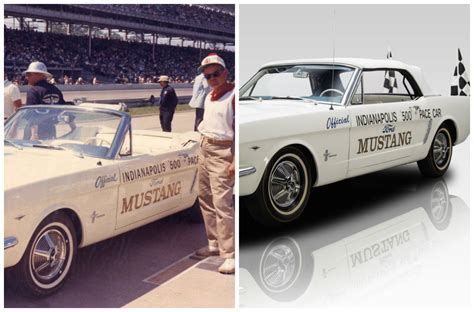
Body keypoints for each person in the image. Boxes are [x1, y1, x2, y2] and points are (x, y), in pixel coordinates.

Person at [195, 53, 235, 274]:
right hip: (205, 147)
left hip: (223, 150)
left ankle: (229, 254)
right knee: (206, 198)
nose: (212, 78)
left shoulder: (234, 96)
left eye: (216, 73)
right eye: (208, 75)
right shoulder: (210, 95)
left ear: (225, 72)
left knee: (222, 203)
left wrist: (235, 159)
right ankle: (214, 244)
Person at [23, 61, 65, 140]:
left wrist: (34, 134)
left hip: (35, 131)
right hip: (51, 130)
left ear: (39, 75)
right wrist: (73, 127)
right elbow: (64, 109)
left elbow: (31, 114)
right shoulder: (56, 90)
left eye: (29, 74)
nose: (26, 77)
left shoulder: (33, 91)